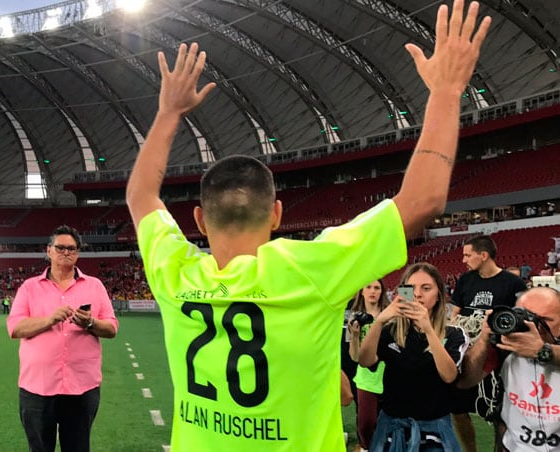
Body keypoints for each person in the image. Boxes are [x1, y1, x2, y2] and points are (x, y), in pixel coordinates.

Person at [124, 1, 491, 449]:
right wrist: (448, 90)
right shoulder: (309, 268)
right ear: (277, 214)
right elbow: (424, 200)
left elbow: (140, 196)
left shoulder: (175, 273)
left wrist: (168, 112)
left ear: (199, 220)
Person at [7, 225, 118, 452]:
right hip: (37, 388)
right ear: (49, 251)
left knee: (77, 448)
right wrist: (49, 319)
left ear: (77, 253)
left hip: (82, 387)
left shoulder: (95, 286)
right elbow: (15, 328)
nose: (66, 253)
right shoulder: (29, 287)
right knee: (39, 448)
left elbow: (112, 328)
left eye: (72, 249)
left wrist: (90, 323)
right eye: (60, 248)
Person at [358, 263, 469, 450]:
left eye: (426, 288)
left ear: (439, 295)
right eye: (411, 288)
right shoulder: (391, 331)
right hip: (392, 426)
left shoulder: (454, 334)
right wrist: (379, 322)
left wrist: (428, 329)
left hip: (434, 428)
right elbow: (365, 361)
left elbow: (449, 375)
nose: (417, 294)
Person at [457, 287, 560, 452]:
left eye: (544, 320)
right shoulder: (505, 348)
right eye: (524, 316)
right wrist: (485, 338)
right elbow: (466, 380)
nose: (532, 325)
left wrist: (543, 351)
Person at [449, 235, 527, 451]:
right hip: (467, 353)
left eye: (467, 254)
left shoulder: (513, 283)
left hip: (500, 355)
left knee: (499, 411)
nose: (463, 259)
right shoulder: (465, 280)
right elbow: (454, 314)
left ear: (483, 256)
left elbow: (524, 319)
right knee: (457, 407)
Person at [347, 279, 391, 451]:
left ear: (382, 292)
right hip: (366, 377)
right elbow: (354, 356)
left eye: (377, 288)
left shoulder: (389, 315)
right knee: (366, 424)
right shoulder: (355, 318)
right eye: (369, 287)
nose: (373, 291)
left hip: (388, 375)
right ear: (362, 292)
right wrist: (356, 336)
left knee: (388, 421)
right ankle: (366, 447)